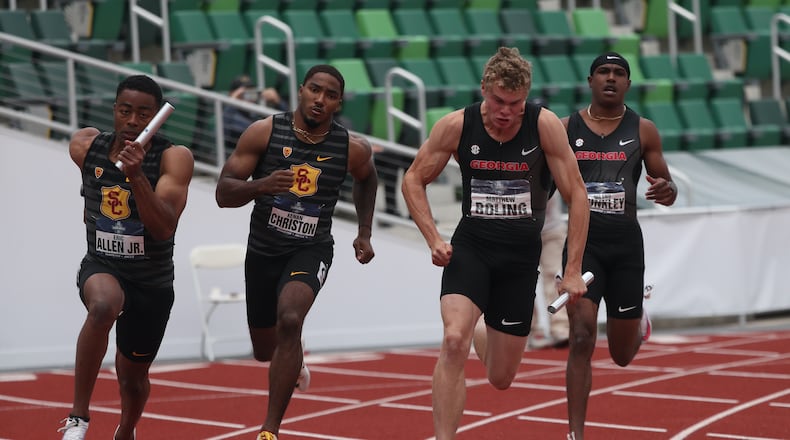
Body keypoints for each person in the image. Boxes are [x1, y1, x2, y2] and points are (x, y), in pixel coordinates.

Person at [401, 47, 591, 440]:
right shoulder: (456, 125)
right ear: (484, 89)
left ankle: (483, 332)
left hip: (519, 258)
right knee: (453, 340)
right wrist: (433, 237)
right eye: (499, 101)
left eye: (516, 103)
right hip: (471, 247)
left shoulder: (544, 125)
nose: (506, 111)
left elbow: (577, 194)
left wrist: (572, 270)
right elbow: (413, 179)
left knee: (501, 379)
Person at [214, 64, 378, 440]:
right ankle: (294, 352)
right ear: (301, 90)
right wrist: (263, 186)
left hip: (311, 248)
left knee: (289, 317)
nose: (321, 100)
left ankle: (269, 430)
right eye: (315, 90)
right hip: (263, 250)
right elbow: (224, 193)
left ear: (338, 103)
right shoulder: (264, 132)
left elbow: (368, 178)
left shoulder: (350, 147)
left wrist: (364, 232)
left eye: (331, 95)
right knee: (263, 350)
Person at [59, 75, 195, 440]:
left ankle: (126, 430)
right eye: (125, 111)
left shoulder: (173, 158)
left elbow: (164, 227)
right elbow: (92, 187)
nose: (133, 121)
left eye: (143, 113)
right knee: (102, 306)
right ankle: (78, 416)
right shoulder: (85, 146)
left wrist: (136, 176)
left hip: (151, 281)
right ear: (115, 111)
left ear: (154, 116)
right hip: (103, 264)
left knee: (133, 380)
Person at [561, 52, 677, 440]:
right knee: (580, 337)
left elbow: (668, 187)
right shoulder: (564, 128)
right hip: (583, 244)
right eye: (604, 72)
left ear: (628, 83)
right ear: (590, 80)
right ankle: (575, 433)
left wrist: (667, 189)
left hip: (626, 246)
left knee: (622, 357)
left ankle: (637, 319)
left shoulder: (643, 130)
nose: (611, 78)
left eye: (619, 73)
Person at [529, 193, 569, 349]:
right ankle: (529, 329)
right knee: (522, 279)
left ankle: (561, 327)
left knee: (556, 276)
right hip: (521, 230)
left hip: (552, 227)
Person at [223, 75, 288, 151]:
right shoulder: (227, 113)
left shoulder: (257, 113)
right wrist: (232, 101)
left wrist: (278, 102)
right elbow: (224, 130)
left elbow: (287, 121)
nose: (248, 96)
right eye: (244, 93)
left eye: (251, 92)